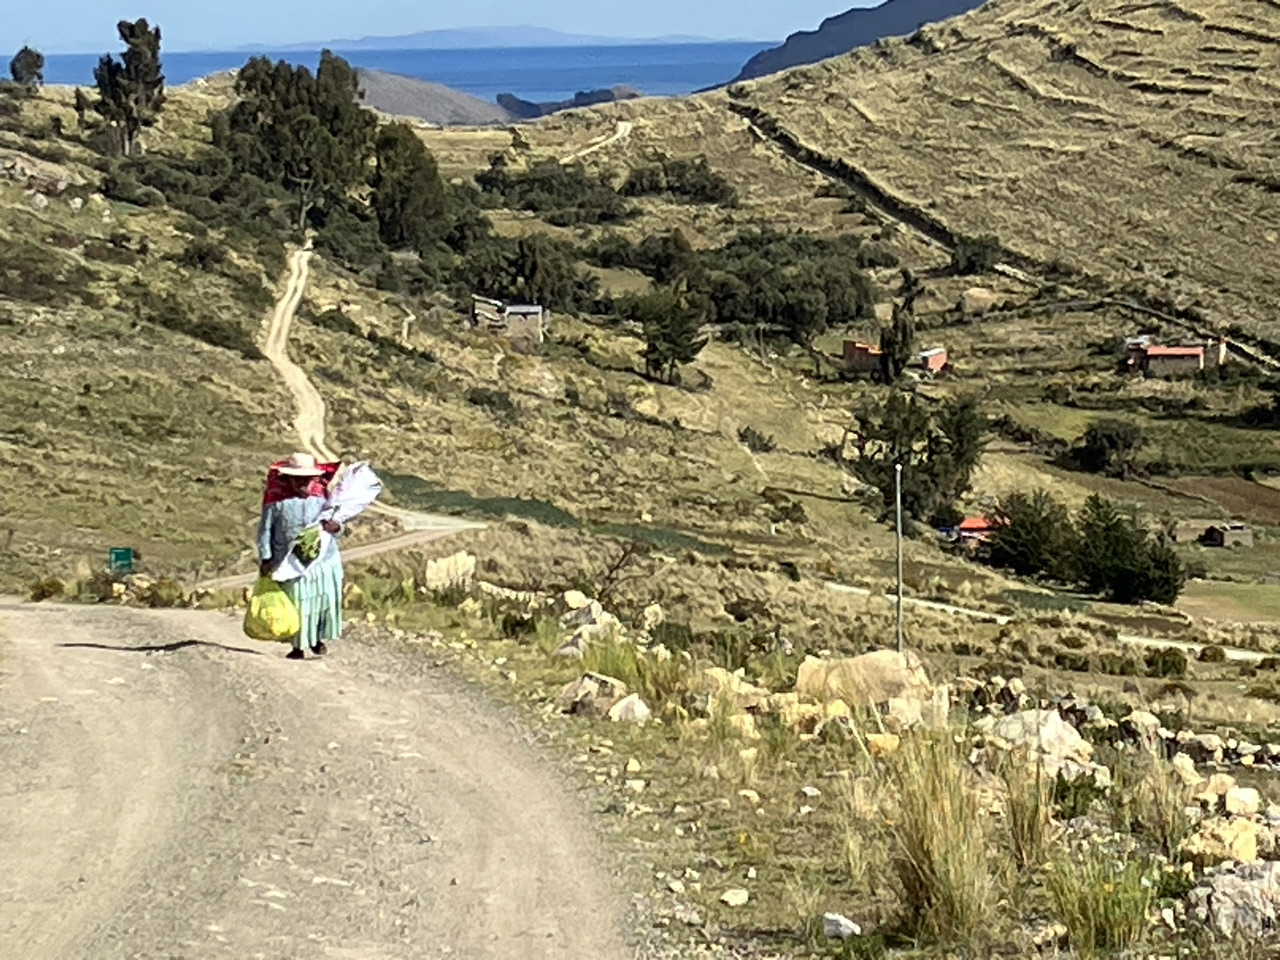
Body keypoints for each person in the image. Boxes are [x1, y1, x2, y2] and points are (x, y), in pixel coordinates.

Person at [257, 452, 344, 660]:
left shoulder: (322, 498)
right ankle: (298, 646)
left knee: (320, 602)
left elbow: (338, 522)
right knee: (296, 604)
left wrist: (337, 527)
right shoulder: (276, 502)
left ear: (314, 479)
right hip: (289, 563)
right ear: (288, 479)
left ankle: (316, 639)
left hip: (322, 561)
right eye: (298, 480)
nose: (303, 485)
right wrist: (266, 558)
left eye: (307, 480)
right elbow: (265, 531)